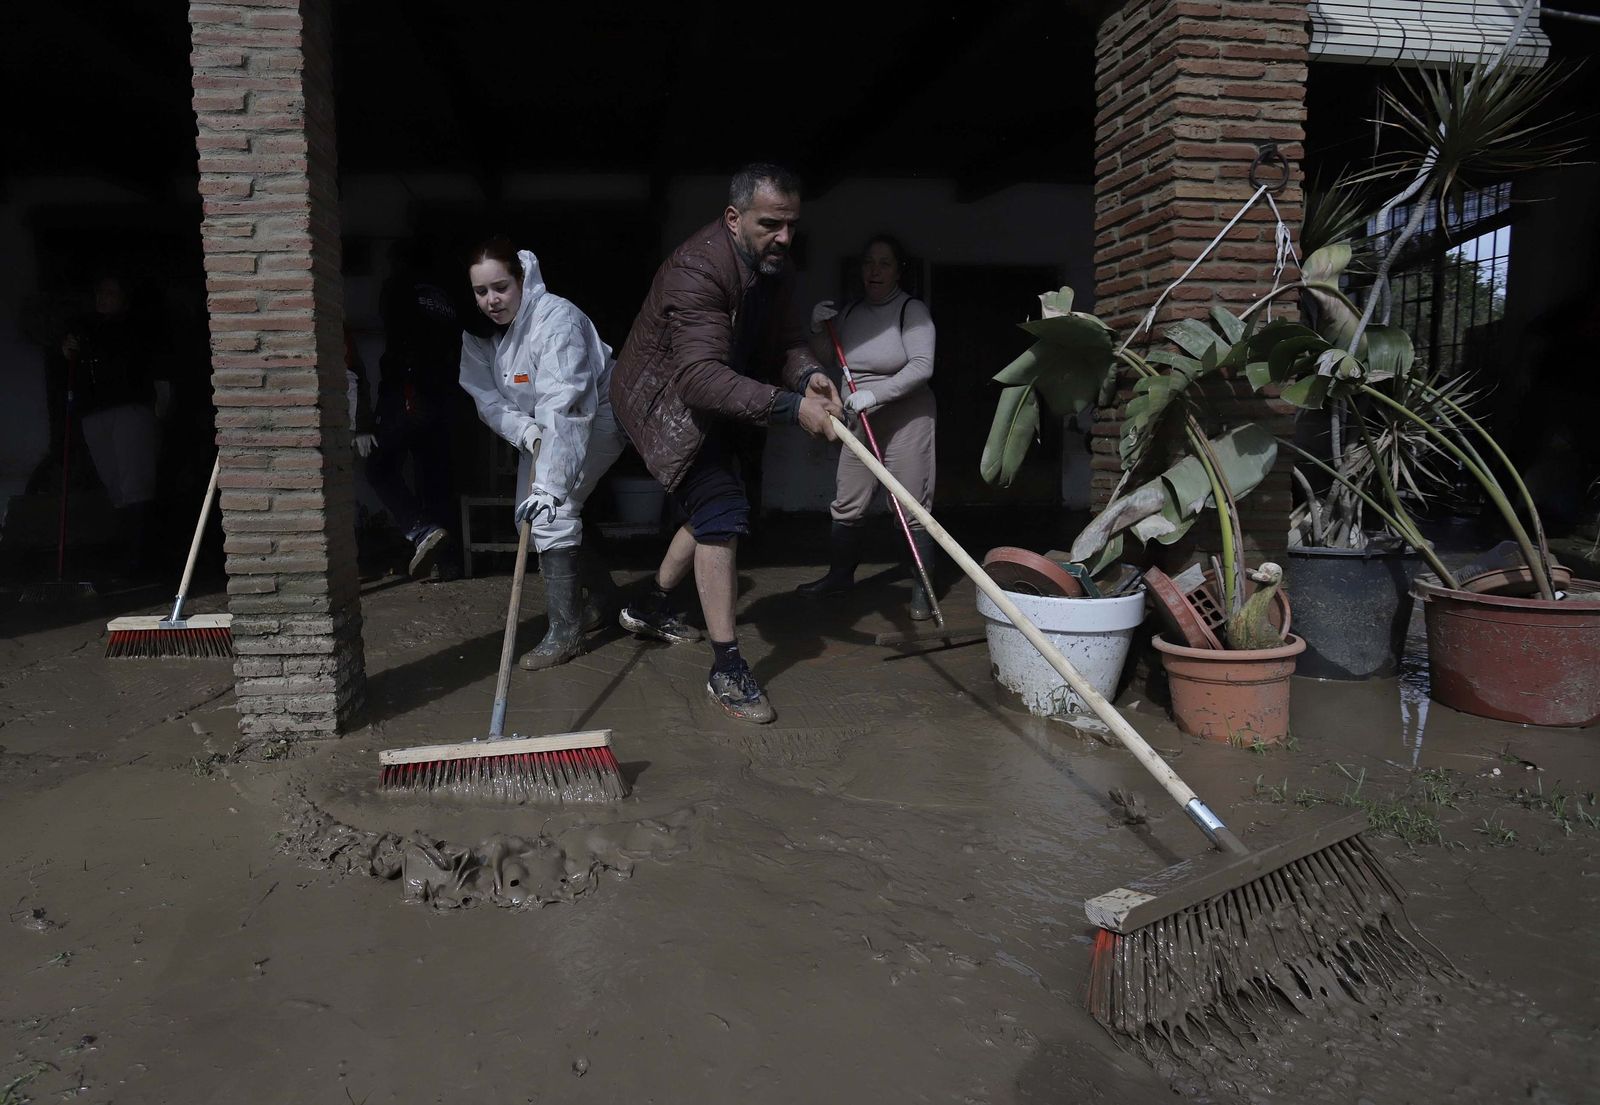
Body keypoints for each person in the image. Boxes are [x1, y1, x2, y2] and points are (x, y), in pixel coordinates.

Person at [610, 163, 844, 725]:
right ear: (734, 218)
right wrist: (792, 407)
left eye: (792, 225)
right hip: (665, 406)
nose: (784, 237)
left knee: (713, 510)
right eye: (771, 224)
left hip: (721, 397)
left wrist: (808, 375)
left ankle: (649, 606)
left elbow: (786, 340)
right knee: (722, 512)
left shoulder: (774, 265)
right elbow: (696, 378)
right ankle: (727, 667)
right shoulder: (697, 269)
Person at [458, 238, 628, 670]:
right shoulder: (477, 334)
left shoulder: (555, 319)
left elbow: (567, 403)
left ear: (521, 279)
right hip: (540, 425)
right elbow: (486, 399)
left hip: (596, 414)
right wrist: (526, 432)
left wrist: (551, 486)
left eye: (501, 287)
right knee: (529, 519)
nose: (492, 300)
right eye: (481, 291)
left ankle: (565, 633)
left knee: (554, 511)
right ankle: (604, 599)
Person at [798, 234, 939, 619]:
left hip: (906, 417)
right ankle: (839, 578)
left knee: (910, 505)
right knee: (848, 501)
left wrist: (876, 394)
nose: (874, 271)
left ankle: (923, 591)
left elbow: (922, 366)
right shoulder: (850, 314)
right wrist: (817, 329)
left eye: (884, 263)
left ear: (898, 271)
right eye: (868, 263)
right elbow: (828, 357)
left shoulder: (911, 311)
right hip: (859, 419)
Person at [360, 239, 463, 579]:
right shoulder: (445, 296)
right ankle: (446, 563)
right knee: (435, 478)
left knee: (378, 466)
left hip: (407, 393)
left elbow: (402, 340)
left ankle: (421, 531)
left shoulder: (398, 287)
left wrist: (405, 389)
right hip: (445, 396)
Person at [59, 273, 169, 574]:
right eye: (100, 292)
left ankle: (141, 559)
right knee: (115, 484)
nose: (102, 297)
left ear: (123, 297)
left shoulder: (137, 328)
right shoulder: (87, 328)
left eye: (110, 292)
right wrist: (67, 351)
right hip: (95, 413)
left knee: (136, 483)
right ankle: (129, 555)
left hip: (130, 408)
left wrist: (162, 402)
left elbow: (156, 366)